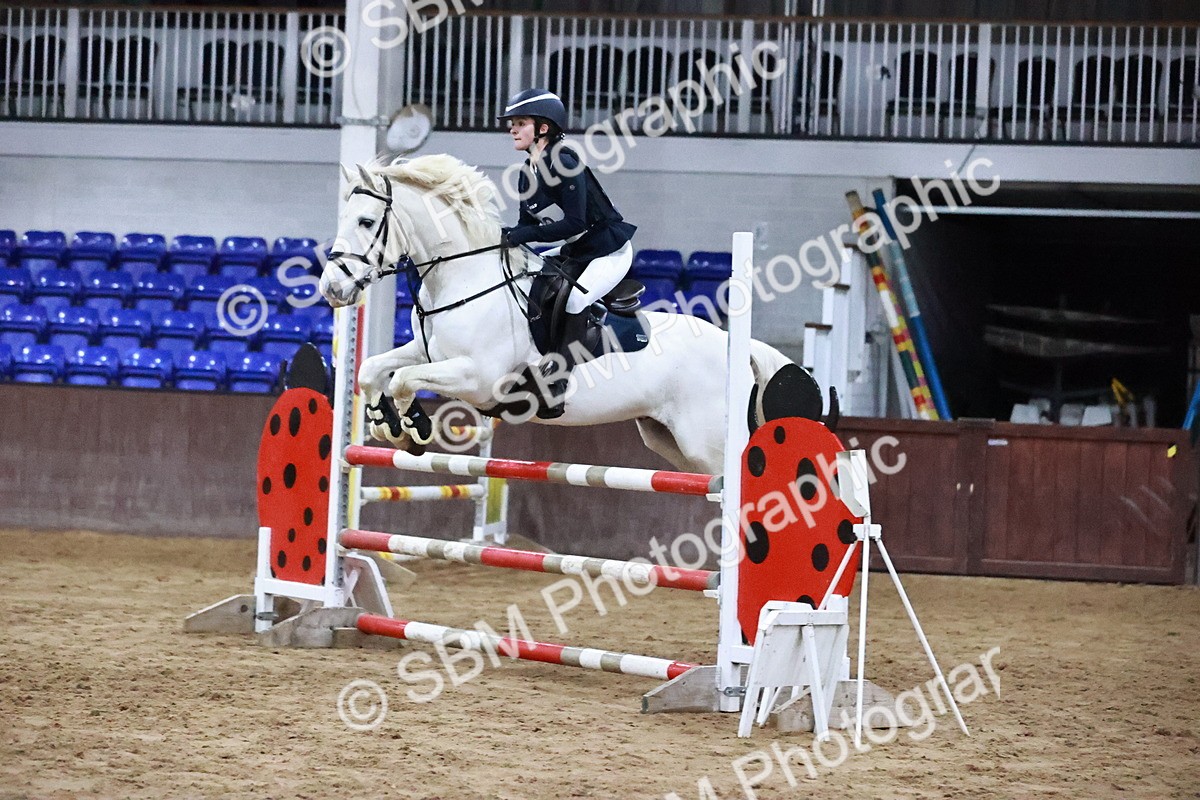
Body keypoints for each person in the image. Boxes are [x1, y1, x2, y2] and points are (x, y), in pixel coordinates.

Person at [497, 88, 637, 419]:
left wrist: (521, 234)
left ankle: (559, 380)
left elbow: (574, 221)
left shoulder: (564, 161)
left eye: (520, 123)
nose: (513, 129)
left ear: (543, 128)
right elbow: (525, 225)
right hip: (577, 247)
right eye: (512, 124)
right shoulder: (526, 171)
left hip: (608, 247)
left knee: (575, 300)